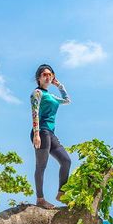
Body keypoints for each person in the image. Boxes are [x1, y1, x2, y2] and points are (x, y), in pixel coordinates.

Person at [30, 64, 71, 209]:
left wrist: (59, 85)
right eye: (45, 74)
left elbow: (67, 100)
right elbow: (34, 112)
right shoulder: (37, 93)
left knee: (66, 160)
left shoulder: (52, 96)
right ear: (39, 78)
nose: (48, 77)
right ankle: (40, 199)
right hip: (41, 132)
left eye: (50, 75)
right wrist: (36, 133)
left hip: (50, 133)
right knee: (41, 166)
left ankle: (61, 193)